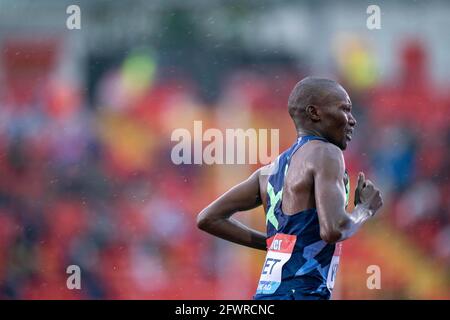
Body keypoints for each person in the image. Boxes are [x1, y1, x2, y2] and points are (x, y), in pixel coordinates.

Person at [197, 77, 383, 300]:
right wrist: (365, 209)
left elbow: (208, 218)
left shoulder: (268, 172)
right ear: (315, 113)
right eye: (345, 109)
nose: (352, 120)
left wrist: (272, 245)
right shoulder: (326, 153)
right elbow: (334, 229)